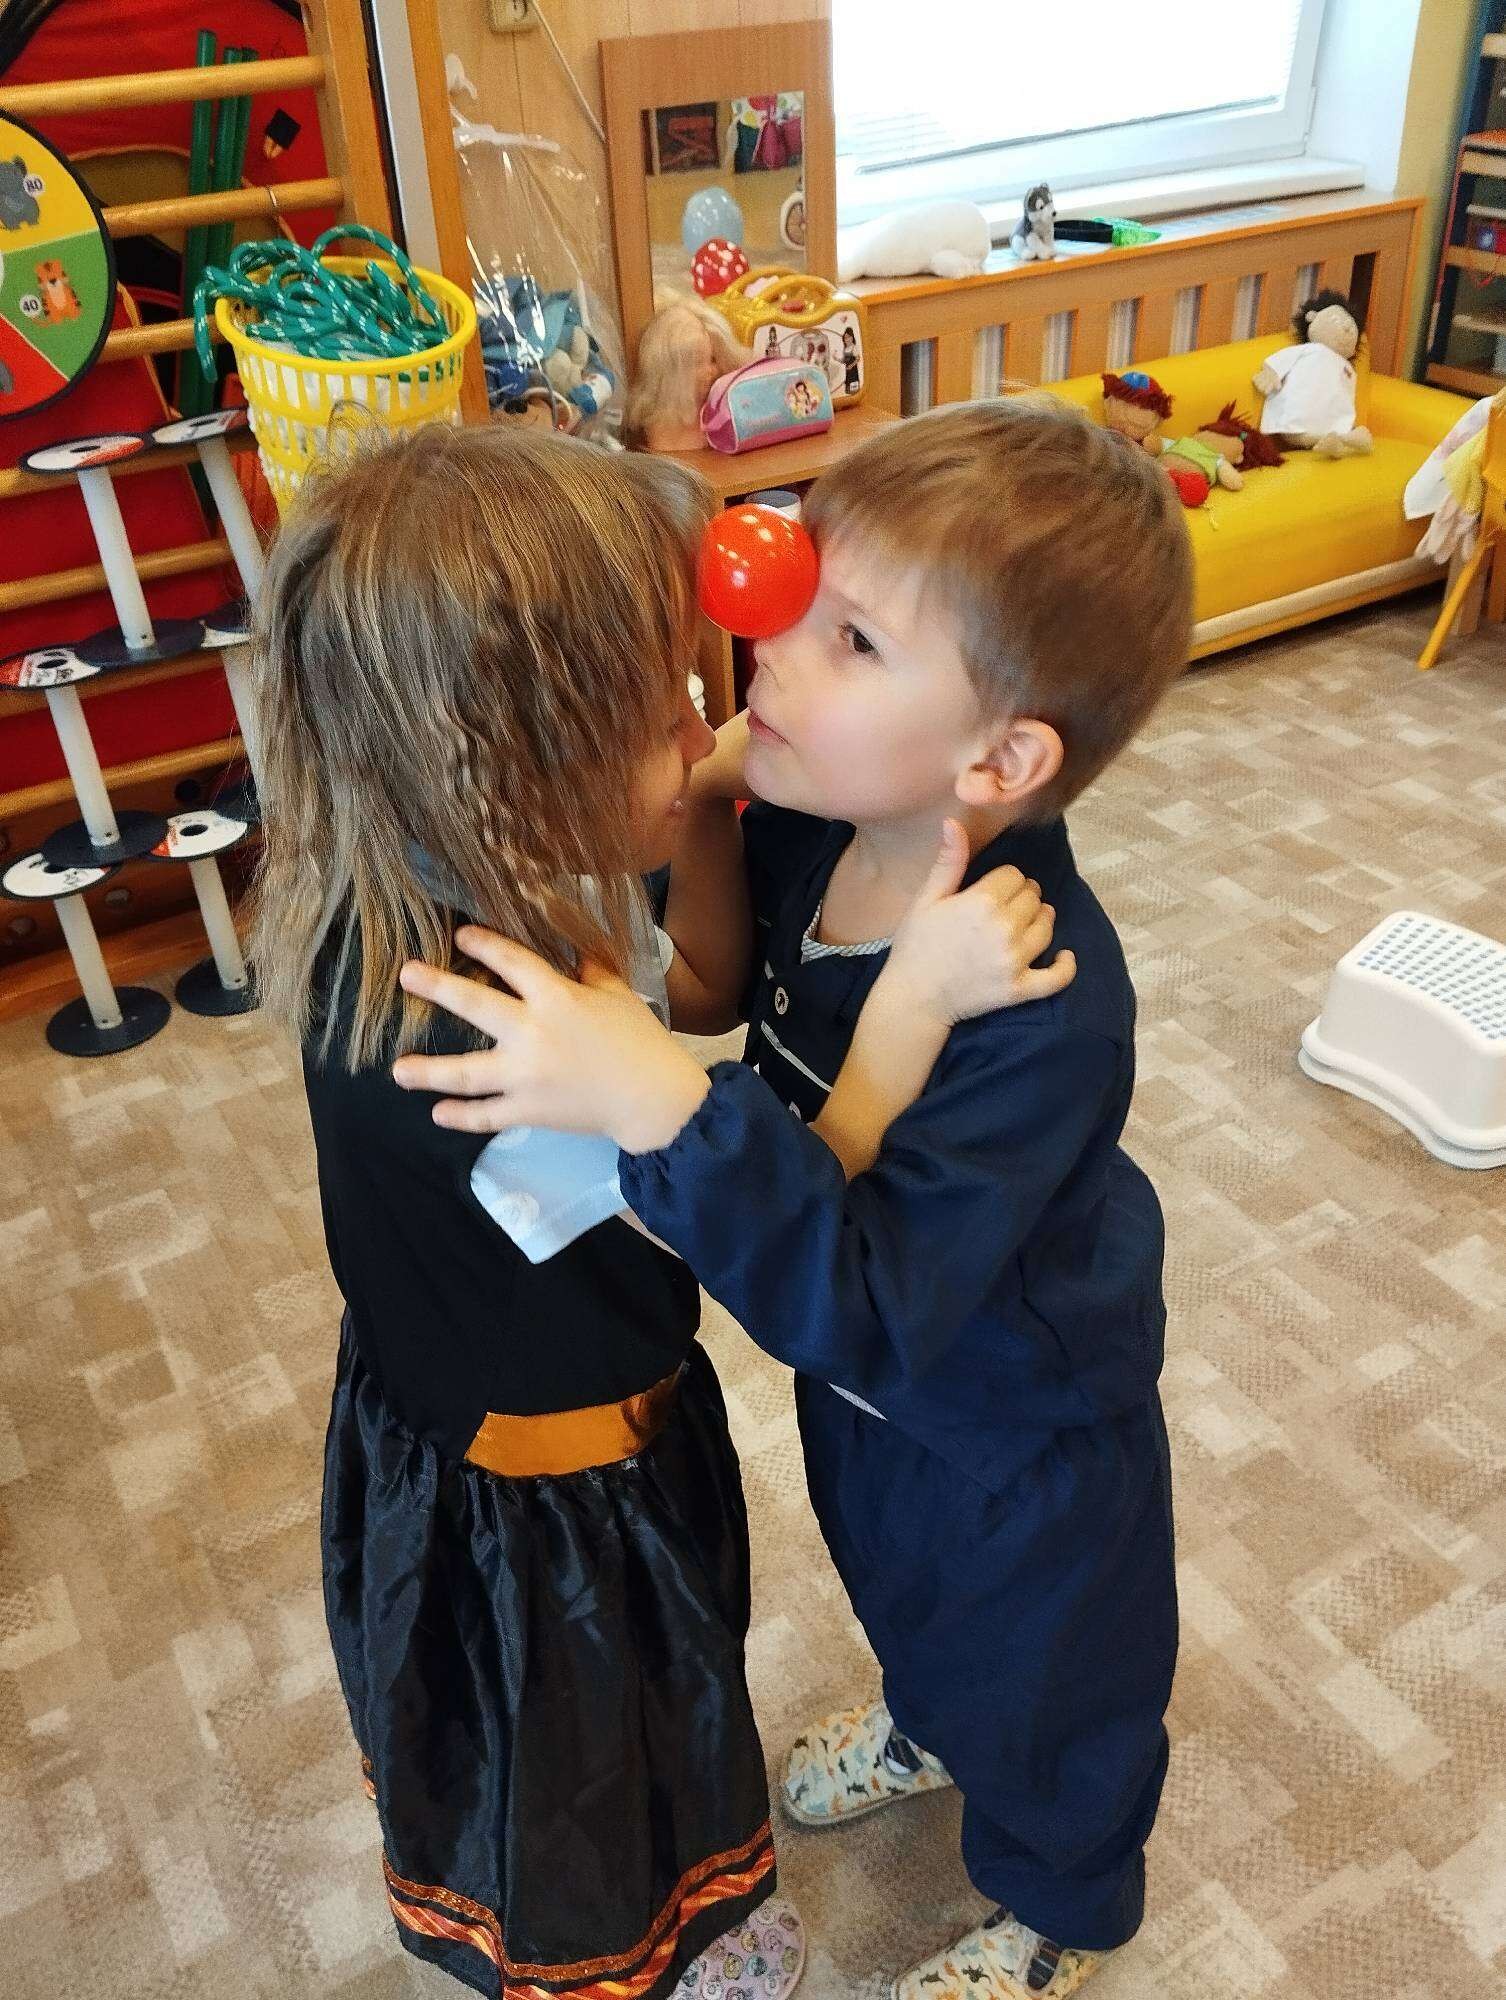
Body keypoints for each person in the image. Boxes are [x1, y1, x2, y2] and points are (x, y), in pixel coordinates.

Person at [250, 421, 1068, 2000]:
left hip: (456, 1404)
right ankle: (647, 1953)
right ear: (513, 762)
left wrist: (688, 801)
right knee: (604, 1741)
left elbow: (687, 989)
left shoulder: (421, 871)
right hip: (552, 1501)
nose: (710, 725)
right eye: (662, 716)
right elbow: (784, 1217)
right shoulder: (500, 1057)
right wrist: (909, 999)